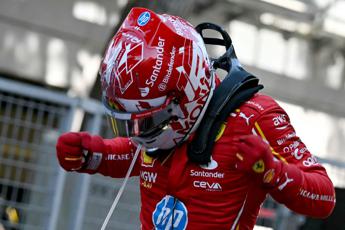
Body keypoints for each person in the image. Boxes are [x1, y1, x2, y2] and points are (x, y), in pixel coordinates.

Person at [56, 7, 336, 230]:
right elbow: (137, 153)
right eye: (127, 123)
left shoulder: (256, 118)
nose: (136, 132)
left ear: (184, 97)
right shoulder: (159, 131)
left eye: (145, 122)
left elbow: (324, 197)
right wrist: (94, 155)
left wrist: (272, 171)